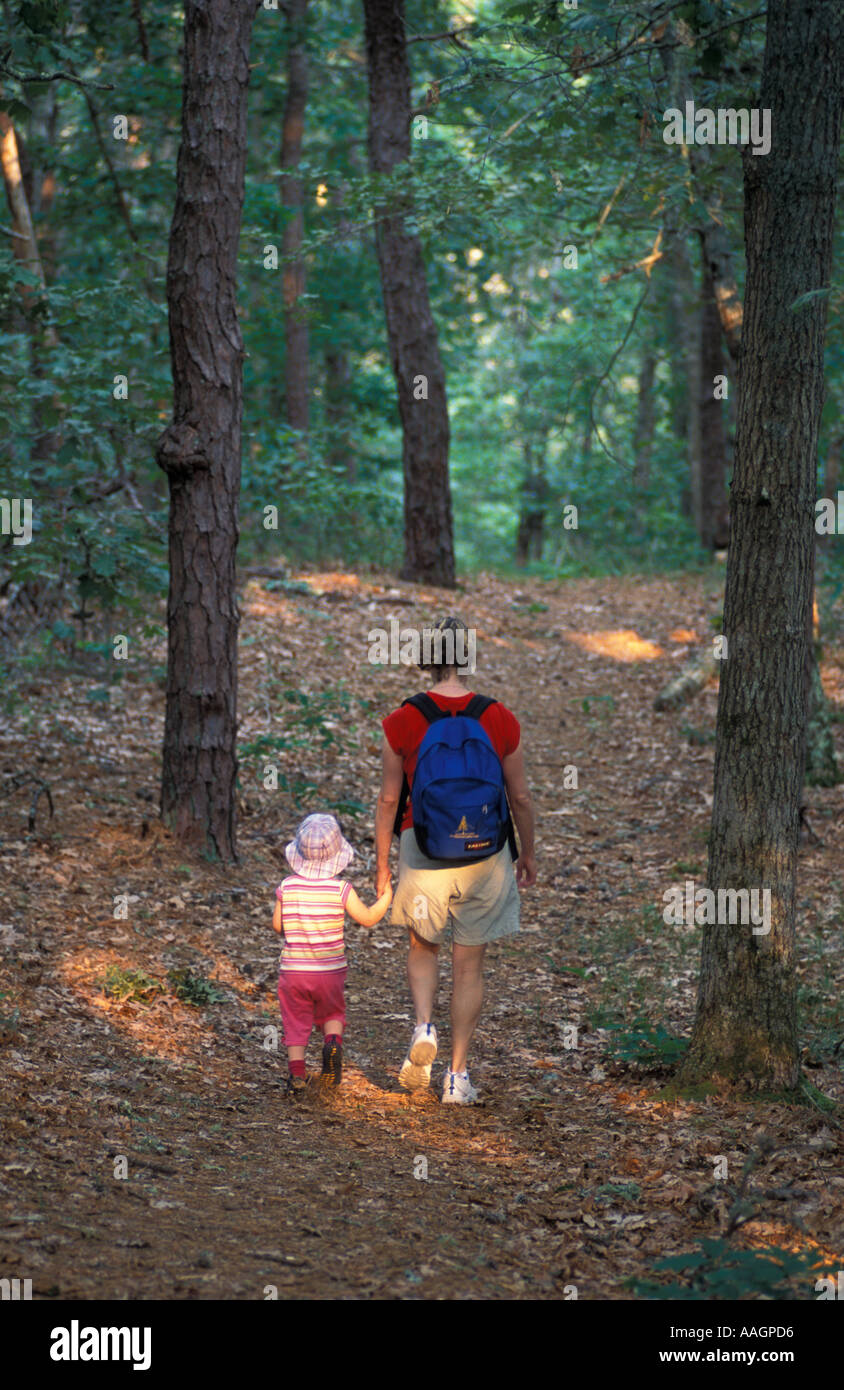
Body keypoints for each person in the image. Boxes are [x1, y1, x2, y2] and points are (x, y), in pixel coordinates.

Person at [374, 617, 537, 1104]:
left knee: (424, 948)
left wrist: (382, 862)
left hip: (422, 847)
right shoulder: (499, 717)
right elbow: (521, 796)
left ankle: (424, 1026)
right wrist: (527, 851)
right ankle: (456, 1076)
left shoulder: (402, 719)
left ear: (426, 658)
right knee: (470, 967)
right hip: (486, 852)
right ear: (468, 659)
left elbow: (387, 800)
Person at [273, 812, 392, 1097]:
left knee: (295, 1019)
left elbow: (278, 926)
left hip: (294, 972)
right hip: (330, 971)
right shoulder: (341, 889)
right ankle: (333, 1040)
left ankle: (298, 1075)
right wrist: (386, 896)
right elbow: (366, 918)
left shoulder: (287, 887)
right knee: (333, 1011)